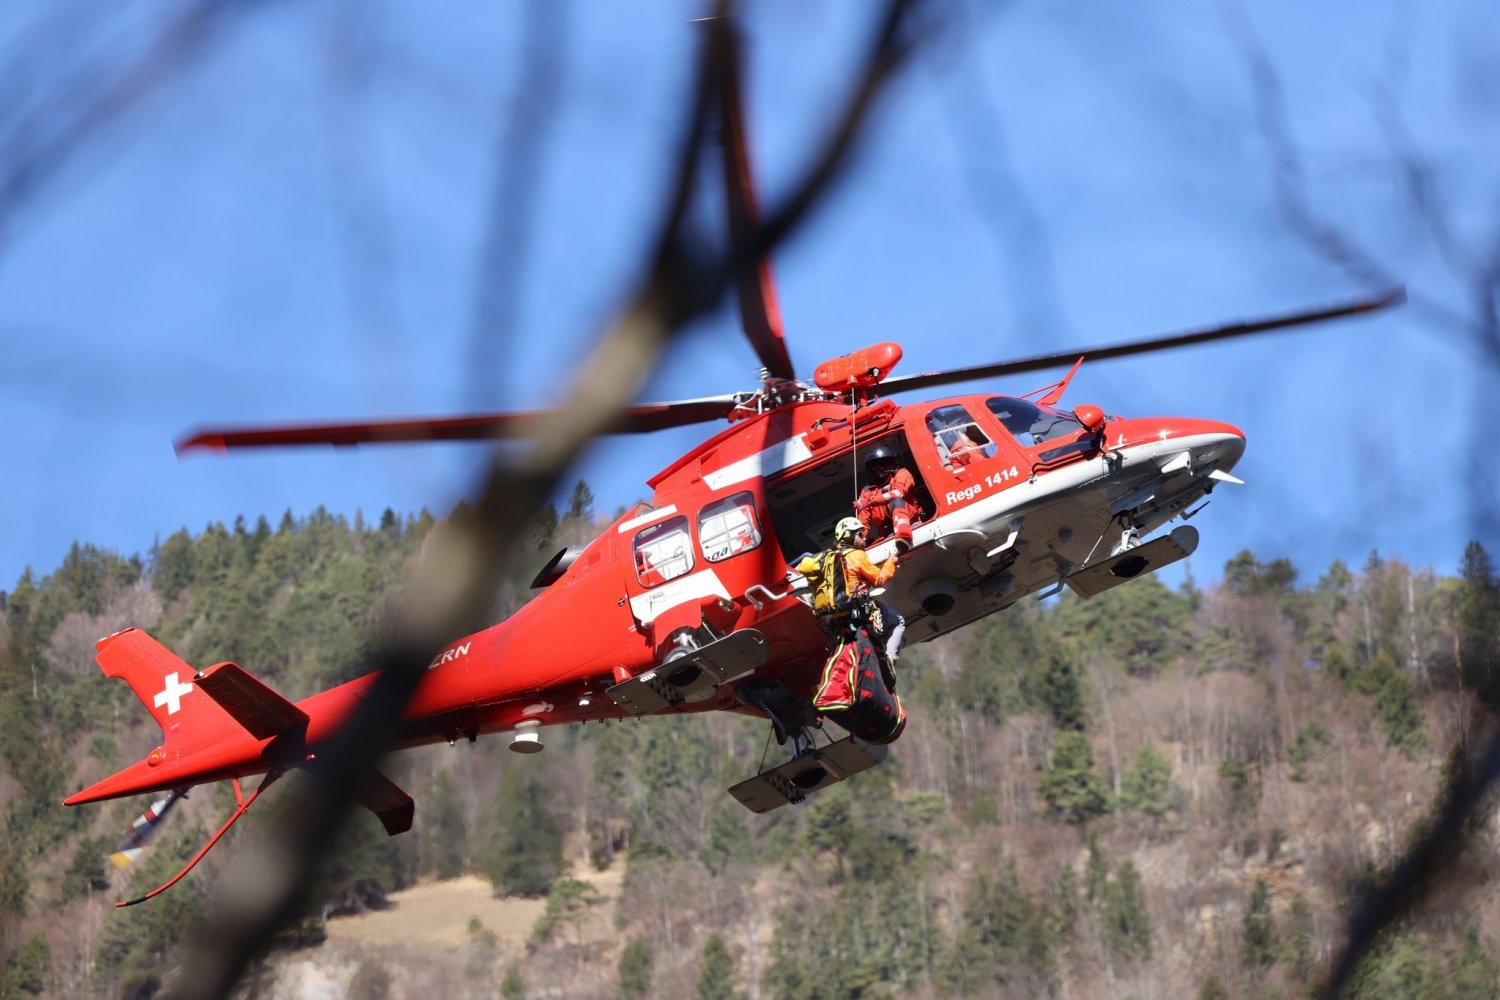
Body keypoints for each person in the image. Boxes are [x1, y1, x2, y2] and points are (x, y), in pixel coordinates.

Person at [797, 516, 906, 668]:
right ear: (849, 535)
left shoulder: (828, 558)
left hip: (835, 616)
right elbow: (879, 580)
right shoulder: (857, 555)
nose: (864, 537)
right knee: (898, 621)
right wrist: (891, 562)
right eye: (860, 534)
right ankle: (890, 659)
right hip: (858, 610)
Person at [854, 444, 919, 549]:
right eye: (878, 465)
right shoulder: (866, 491)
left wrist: (870, 502)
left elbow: (899, 493)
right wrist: (860, 537)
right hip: (887, 532)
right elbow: (863, 521)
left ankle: (904, 536)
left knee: (897, 501)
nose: (883, 467)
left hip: (911, 521)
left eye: (886, 463)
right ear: (873, 469)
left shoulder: (902, 473)